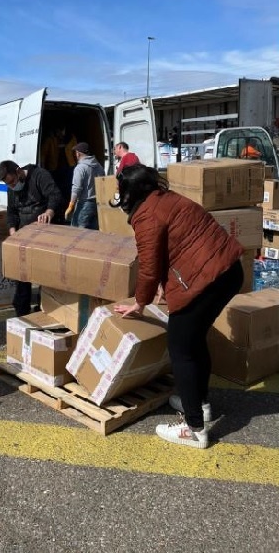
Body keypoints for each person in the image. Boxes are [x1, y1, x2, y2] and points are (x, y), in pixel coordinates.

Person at [111, 164, 244, 449]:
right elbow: (170, 249)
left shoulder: (145, 215)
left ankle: (194, 428)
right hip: (230, 271)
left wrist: (140, 302)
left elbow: (148, 265)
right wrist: (163, 282)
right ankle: (201, 403)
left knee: (180, 347)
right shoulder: (168, 199)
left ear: (129, 193)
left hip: (206, 279)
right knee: (195, 339)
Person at [0, 159, 63, 317]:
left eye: (13, 182)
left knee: (45, 277)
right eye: (9, 184)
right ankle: (22, 313)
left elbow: (56, 195)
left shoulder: (39, 176)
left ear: (19, 171)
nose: (13, 186)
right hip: (23, 237)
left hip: (45, 236)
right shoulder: (11, 188)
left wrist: (48, 212)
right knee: (22, 278)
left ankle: (44, 309)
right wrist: (13, 230)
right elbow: (12, 211)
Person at [64, 142, 105, 229]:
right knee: (93, 232)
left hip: (84, 204)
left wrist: (71, 205)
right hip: (97, 204)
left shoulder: (80, 168)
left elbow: (76, 188)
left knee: (77, 230)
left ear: (78, 153)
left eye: (75, 153)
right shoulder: (99, 166)